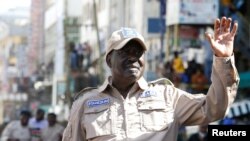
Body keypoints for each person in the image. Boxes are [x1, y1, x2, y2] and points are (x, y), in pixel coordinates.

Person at [62, 17, 239, 141]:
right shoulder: (85, 104)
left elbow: (215, 107)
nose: (133, 57)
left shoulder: (167, 96)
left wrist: (223, 59)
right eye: (125, 52)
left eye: (138, 52)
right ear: (109, 59)